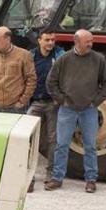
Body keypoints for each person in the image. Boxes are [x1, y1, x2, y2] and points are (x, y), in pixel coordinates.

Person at [45, 29, 106, 193]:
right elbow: (51, 82)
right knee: (61, 145)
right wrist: (62, 100)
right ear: (77, 42)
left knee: (90, 146)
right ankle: (57, 178)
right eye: (87, 41)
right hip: (67, 110)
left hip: (88, 110)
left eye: (91, 41)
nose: (91, 44)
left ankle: (91, 180)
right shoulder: (64, 59)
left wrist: (96, 101)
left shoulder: (98, 60)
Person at [26, 29, 65, 192]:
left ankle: (51, 175)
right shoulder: (31, 56)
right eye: (47, 40)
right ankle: (29, 177)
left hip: (53, 103)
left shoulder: (59, 56)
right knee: (27, 137)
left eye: (53, 40)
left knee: (53, 140)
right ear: (39, 41)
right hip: (35, 102)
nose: (50, 43)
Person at [0, 27, 37, 113]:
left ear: (8, 39)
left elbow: (31, 79)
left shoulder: (24, 55)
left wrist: (22, 101)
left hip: (16, 107)